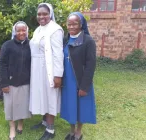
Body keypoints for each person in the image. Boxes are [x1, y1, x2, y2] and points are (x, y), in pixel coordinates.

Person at [29, 3, 64, 140]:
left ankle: (50, 130)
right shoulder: (38, 30)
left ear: (50, 14)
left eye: (45, 13)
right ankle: (44, 122)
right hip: (37, 68)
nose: (41, 16)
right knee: (41, 95)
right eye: (39, 14)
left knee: (50, 97)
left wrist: (58, 75)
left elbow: (58, 54)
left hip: (49, 69)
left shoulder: (56, 30)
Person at [60, 12, 97, 140]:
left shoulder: (88, 41)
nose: (71, 27)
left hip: (79, 80)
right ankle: (71, 130)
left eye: (75, 24)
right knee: (70, 105)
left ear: (81, 24)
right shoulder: (66, 39)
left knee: (81, 106)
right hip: (67, 80)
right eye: (69, 24)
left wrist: (84, 86)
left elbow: (90, 65)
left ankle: (78, 131)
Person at [0, 21, 31, 140]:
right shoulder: (7, 45)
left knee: (23, 104)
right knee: (11, 105)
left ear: (27, 31)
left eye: (24, 30)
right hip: (11, 81)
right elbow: (2, 64)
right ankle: (12, 128)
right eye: (18, 30)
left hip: (25, 81)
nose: (21, 32)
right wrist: (4, 82)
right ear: (14, 32)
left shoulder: (31, 45)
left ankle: (20, 123)